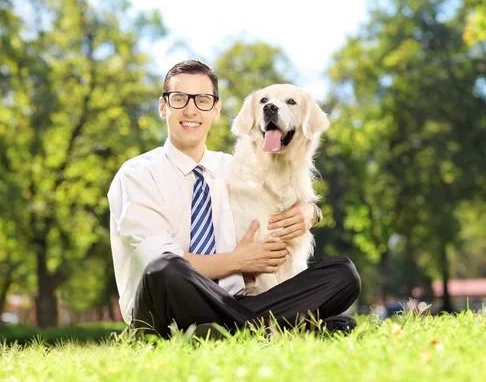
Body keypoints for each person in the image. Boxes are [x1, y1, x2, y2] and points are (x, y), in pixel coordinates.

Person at [107, 59, 360, 338]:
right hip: (164, 310)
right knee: (164, 269)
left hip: (238, 301)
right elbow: (154, 259)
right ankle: (285, 325)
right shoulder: (137, 174)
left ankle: (234, 329)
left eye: (202, 100)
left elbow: (283, 195)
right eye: (179, 99)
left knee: (343, 272)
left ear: (215, 110)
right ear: (163, 106)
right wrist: (238, 260)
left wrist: (311, 212)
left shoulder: (235, 169)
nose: (191, 109)